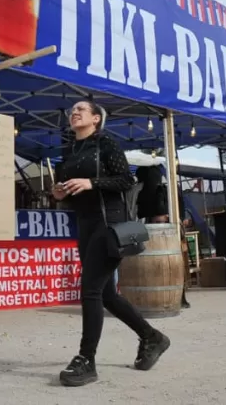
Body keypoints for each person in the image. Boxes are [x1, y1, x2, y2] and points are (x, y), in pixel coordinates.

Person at [53, 100, 170, 387]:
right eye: (72, 110)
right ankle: (152, 337)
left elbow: (126, 180)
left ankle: (86, 360)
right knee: (106, 295)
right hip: (85, 225)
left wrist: (92, 183)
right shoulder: (70, 149)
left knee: (90, 290)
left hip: (110, 225)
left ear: (96, 118)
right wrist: (59, 192)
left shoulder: (106, 143)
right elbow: (68, 190)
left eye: (81, 109)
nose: (74, 112)